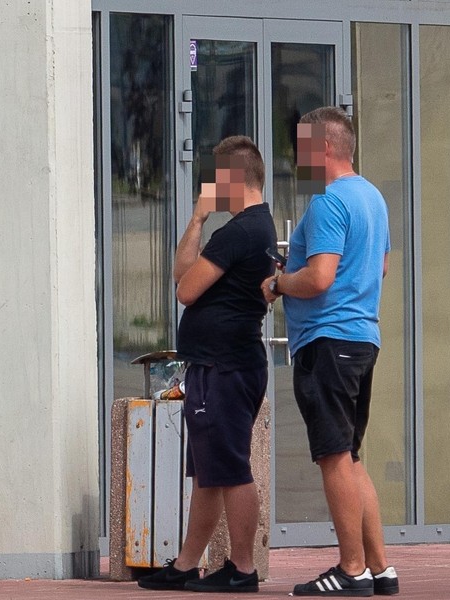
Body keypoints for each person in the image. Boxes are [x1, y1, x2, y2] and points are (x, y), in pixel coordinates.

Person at [262, 107, 397, 597]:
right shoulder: (373, 198)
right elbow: (379, 267)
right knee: (350, 455)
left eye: (301, 148)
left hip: (327, 339)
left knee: (334, 456)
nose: (297, 159)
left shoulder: (328, 203)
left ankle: (351, 569)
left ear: (323, 149)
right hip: (362, 337)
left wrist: (278, 281)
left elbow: (318, 279)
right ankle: (380, 569)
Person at [137, 135, 276, 594]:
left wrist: (201, 216)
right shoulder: (253, 227)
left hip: (226, 366)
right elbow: (183, 273)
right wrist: (197, 219)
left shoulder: (241, 231)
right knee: (210, 472)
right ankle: (186, 563)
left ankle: (241, 567)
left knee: (230, 468)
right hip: (222, 364)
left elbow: (185, 291)